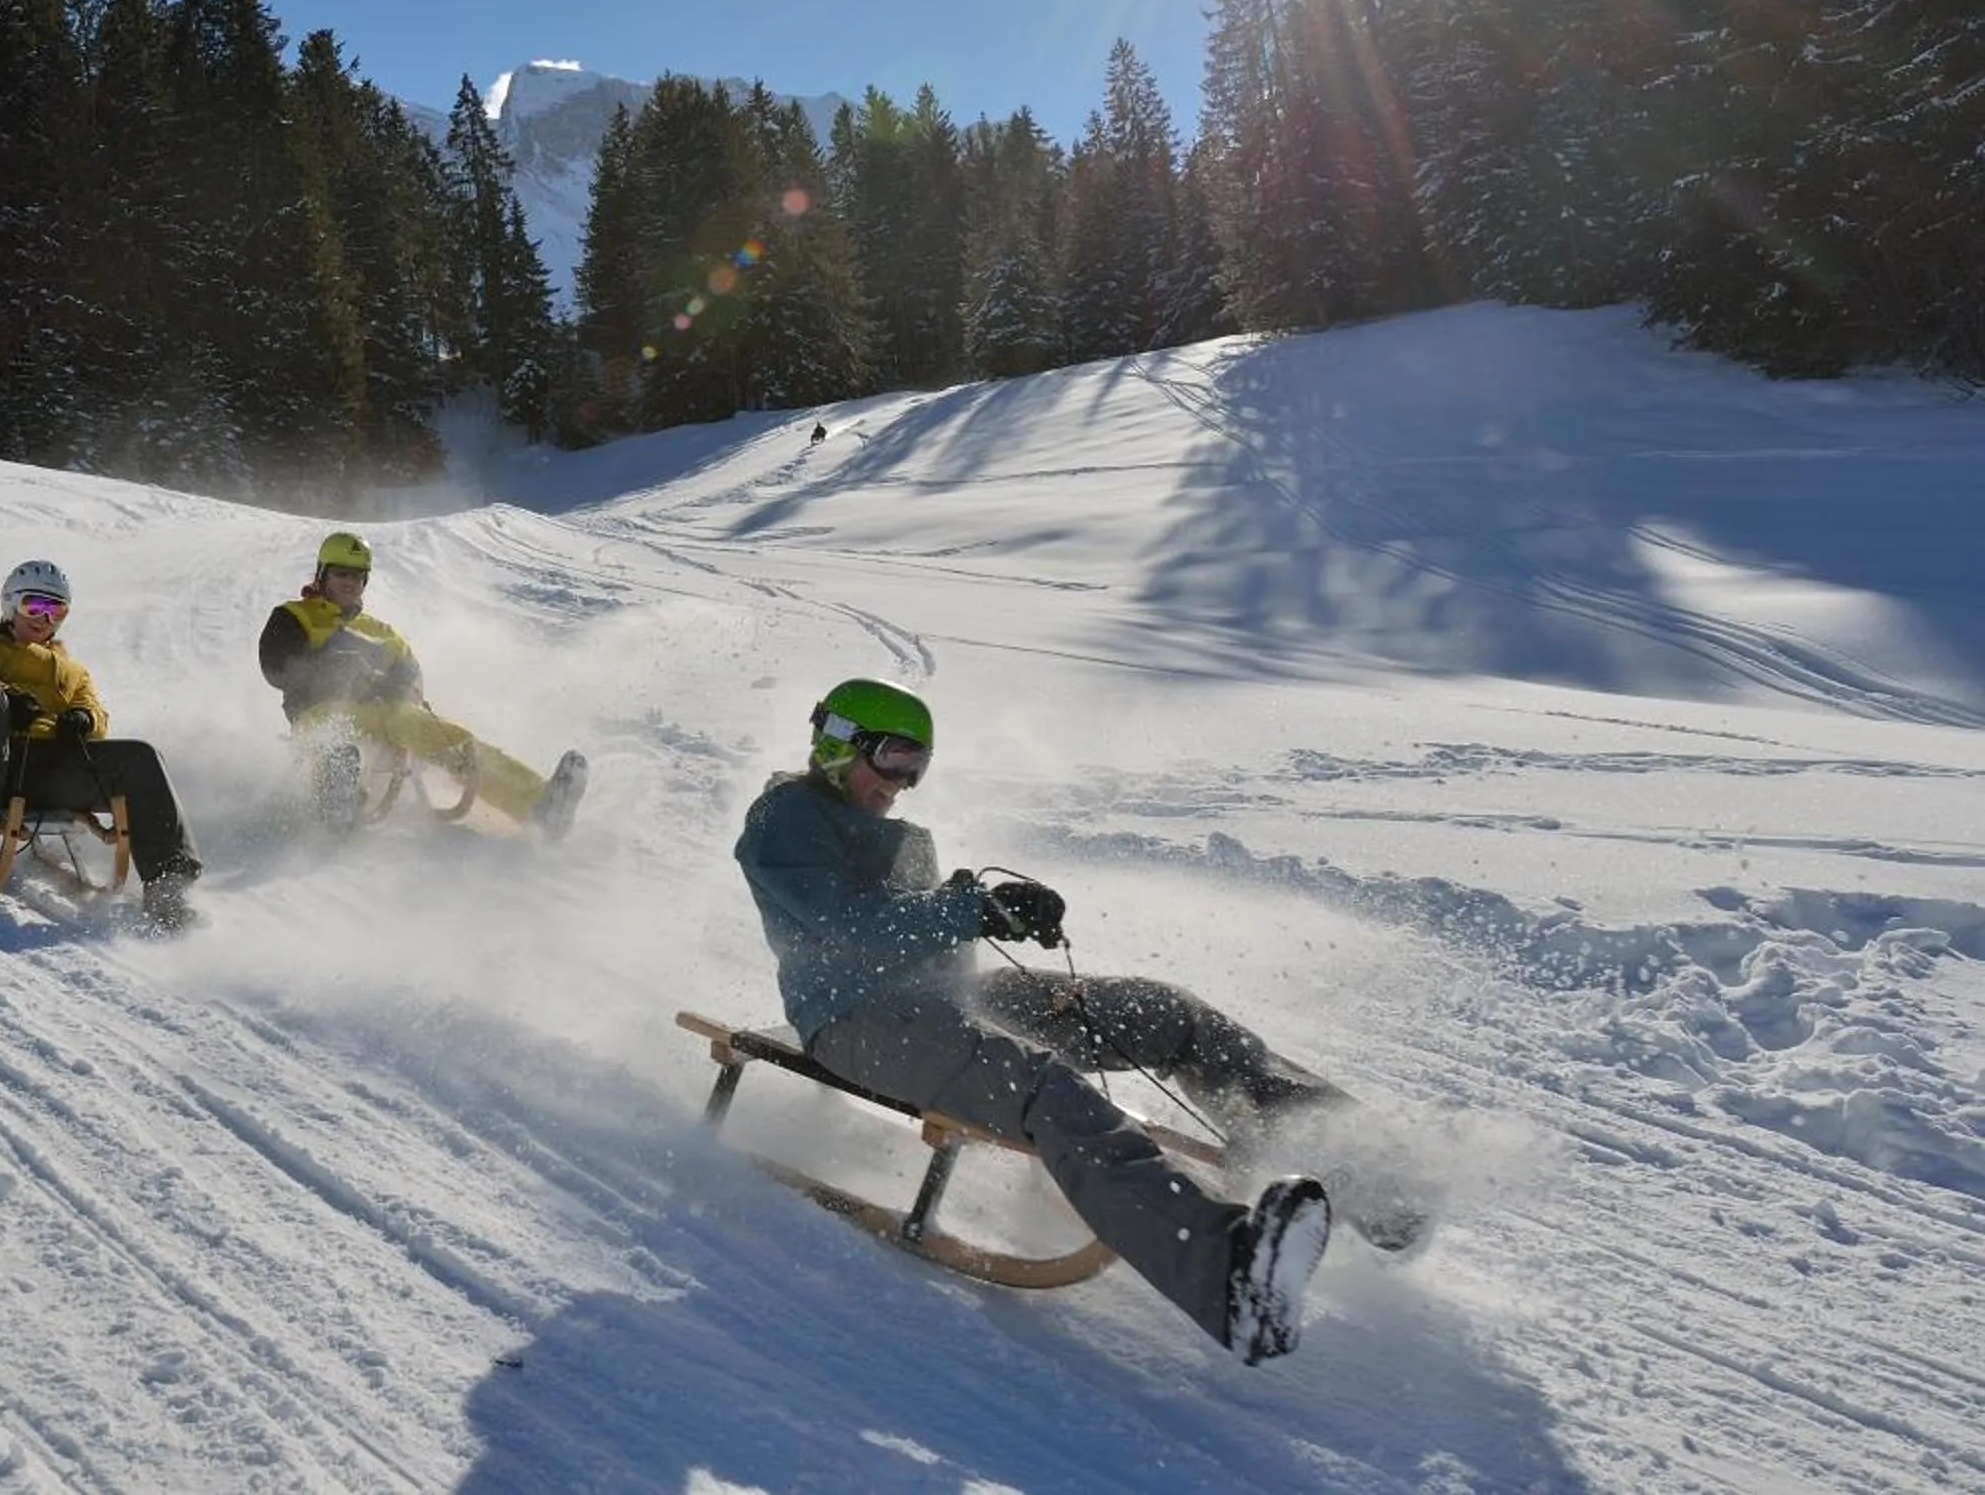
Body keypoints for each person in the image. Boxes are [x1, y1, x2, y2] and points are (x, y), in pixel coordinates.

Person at [734, 677, 1394, 1364]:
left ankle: (1360, 1169)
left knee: (1165, 1014)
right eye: (894, 758)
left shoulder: (895, 831)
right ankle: (1228, 1278)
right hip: (857, 1021)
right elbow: (849, 922)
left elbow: (923, 925)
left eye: (917, 767)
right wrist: (972, 909)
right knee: (1040, 1087)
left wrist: (1004, 910)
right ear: (841, 742)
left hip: (949, 1000)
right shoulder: (786, 817)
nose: (903, 782)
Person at [0, 558, 203, 930]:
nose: (44, 618)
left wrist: (84, 718)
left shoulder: (73, 671)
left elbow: (96, 713)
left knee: (140, 757)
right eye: (34, 606)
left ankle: (168, 887)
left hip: (43, 771)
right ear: (11, 604)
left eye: (56, 610)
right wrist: (6, 699)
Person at [257, 530, 587, 837]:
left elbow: (410, 673)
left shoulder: (381, 632)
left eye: (358, 576)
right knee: (336, 738)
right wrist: (330, 666)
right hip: (320, 709)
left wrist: (393, 686)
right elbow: (275, 666)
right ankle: (337, 799)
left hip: (387, 713)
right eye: (341, 573)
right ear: (322, 574)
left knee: (449, 739)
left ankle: (539, 806)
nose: (350, 582)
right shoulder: (295, 617)